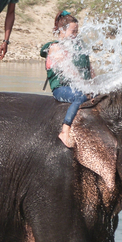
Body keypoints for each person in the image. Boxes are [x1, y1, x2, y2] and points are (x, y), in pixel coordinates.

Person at [40, 10, 93, 148]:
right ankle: (65, 130)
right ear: (62, 31)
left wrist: (95, 86)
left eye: (77, 31)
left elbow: (90, 70)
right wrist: (85, 87)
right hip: (61, 89)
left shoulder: (78, 48)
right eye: (73, 31)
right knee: (80, 96)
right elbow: (70, 72)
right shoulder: (55, 48)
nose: (76, 35)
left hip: (77, 85)